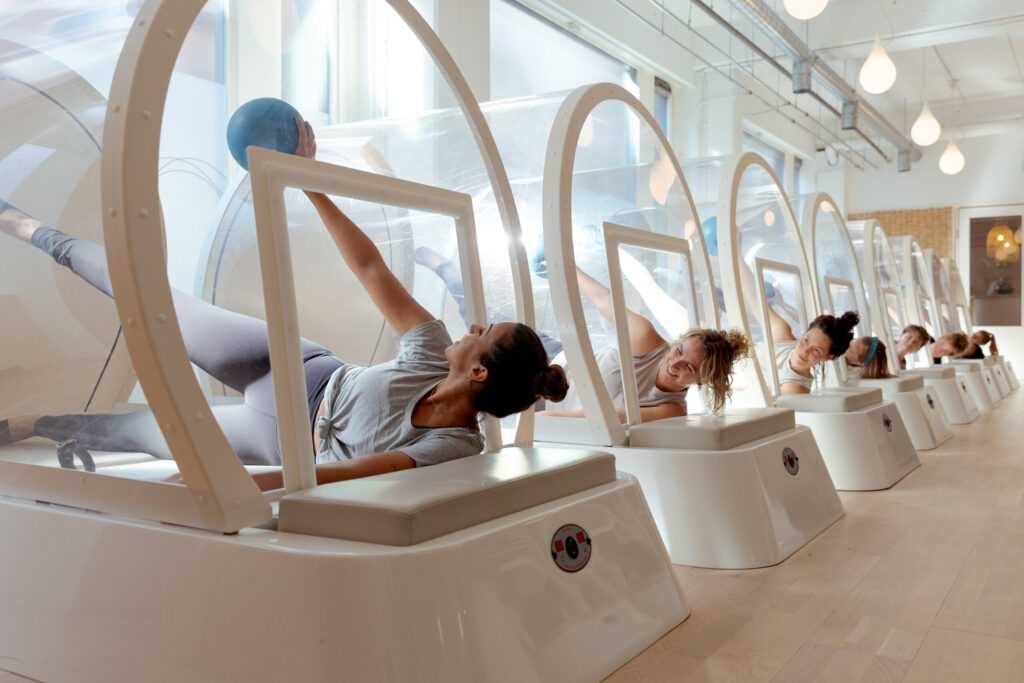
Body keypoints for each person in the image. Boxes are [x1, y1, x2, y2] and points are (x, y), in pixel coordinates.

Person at [0, 118, 568, 490]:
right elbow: (370, 267)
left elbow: (344, 473)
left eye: (485, 329)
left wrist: (230, 483)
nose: (472, 324)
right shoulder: (430, 350)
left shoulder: (453, 446)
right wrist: (307, 181)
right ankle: (32, 229)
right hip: (296, 366)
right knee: (153, 301)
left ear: (478, 369)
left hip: (279, 439)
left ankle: (32, 424)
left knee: (147, 432)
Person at [415, 247, 751, 419]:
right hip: (552, 355)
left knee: (470, 381)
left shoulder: (672, 409)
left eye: (688, 368)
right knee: (483, 321)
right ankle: (444, 267)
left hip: (545, 403)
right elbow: (605, 299)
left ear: (701, 382)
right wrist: (565, 267)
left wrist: (537, 426)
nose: (674, 364)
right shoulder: (649, 340)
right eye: (679, 351)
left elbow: (605, 417)